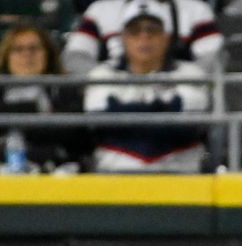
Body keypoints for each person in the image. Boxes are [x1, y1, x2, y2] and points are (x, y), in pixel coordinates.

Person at [83, 0, 209, 173]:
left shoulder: (190, 73)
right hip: (114, 178)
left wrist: (124, 112)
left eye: (152, 30)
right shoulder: (102, 74)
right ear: (123, 38)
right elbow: (102, 124)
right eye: (135, 31)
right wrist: (163, 110)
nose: (144, 37)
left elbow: (185, 127)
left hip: (180, 176)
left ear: (166, 37)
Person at [0, 24, 88, 172]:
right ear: (6, 56)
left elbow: (76, 136)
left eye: (34, 48)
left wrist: (13, 118)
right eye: (18, 49)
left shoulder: (64, 89)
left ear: (47, 54)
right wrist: (35, 111)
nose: (27, 55)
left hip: (53, 170)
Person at [62, 0, 223, 74]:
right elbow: (74, 57)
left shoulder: (195, 9)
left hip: (177, 99)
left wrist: (180, 81)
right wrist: (108, 81)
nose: (144, 36)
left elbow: (214, 58)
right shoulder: (100, 9)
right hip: (114, 99)